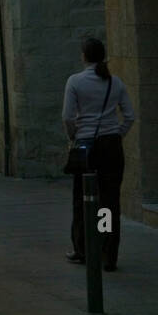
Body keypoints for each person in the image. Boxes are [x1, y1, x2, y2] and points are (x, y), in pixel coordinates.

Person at [63, 36, 136, 271]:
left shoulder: (75, 81)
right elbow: (130, 115)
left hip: (86, 146)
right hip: (112, 146)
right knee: (109, 200)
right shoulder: (115, 82)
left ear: (84, 56)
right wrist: (117, 133)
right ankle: (108, 252)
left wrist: (74, 136)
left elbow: (67, 116)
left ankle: (82, 248)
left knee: (81, 199)